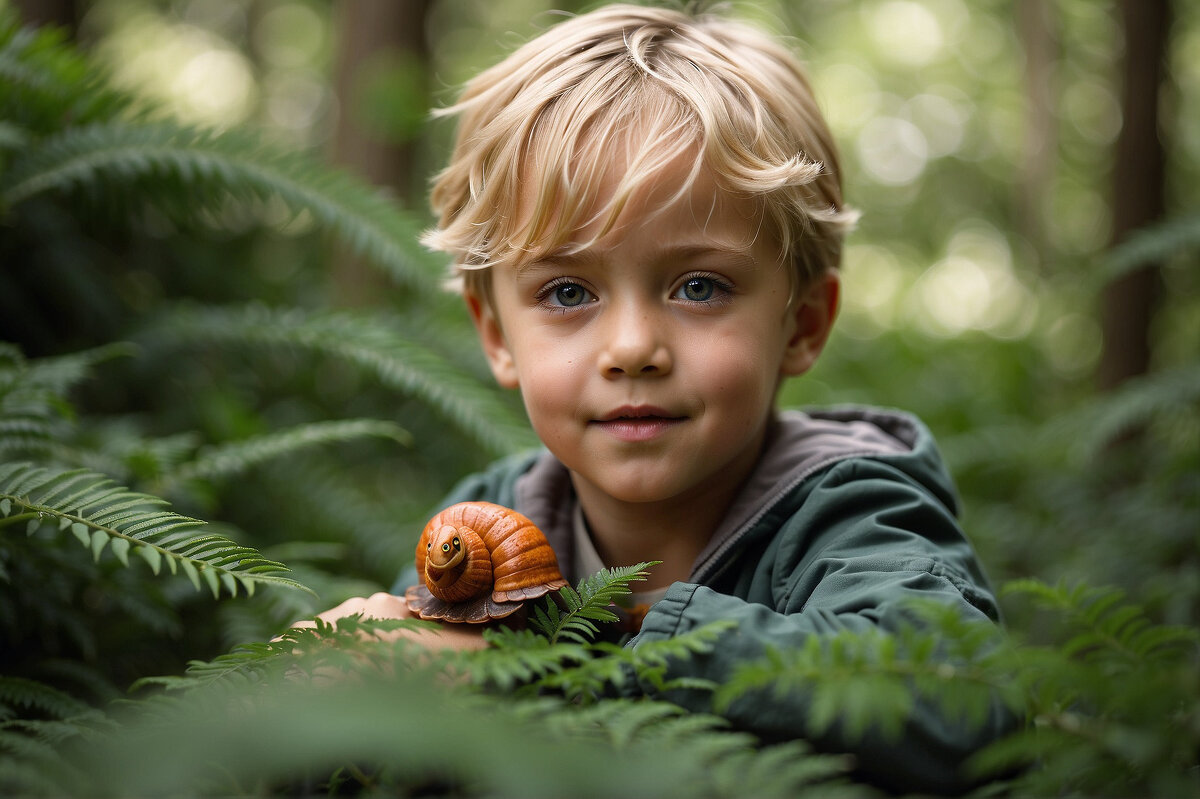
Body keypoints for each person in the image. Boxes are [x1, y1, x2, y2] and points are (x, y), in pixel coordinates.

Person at [296, 3, 1014, 792]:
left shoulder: (851, 513)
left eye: (699, 286)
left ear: (802, 324)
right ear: (496, 333)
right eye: (568, 291)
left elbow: (962, 705)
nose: (633, 346)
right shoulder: (491, 522)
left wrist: (621, 658)